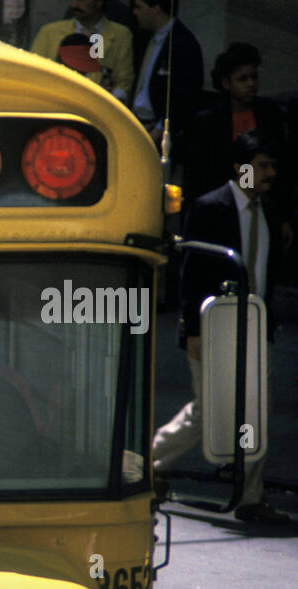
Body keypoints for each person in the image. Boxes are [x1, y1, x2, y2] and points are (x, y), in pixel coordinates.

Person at [152, 132, 289, 523]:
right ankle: (152, 458)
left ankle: (250, 496)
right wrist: (192, 329)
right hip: (215, 326)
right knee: (208, 409)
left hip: (256, 325)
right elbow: (192, 272)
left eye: (272, 167)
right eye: (262, 166)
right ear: (240, 167)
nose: (269, 174)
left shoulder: (268, 210)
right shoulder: (212, 207)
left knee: (254, 412)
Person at [184, 44, 292, 236]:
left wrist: (284, 218)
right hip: (221, 210)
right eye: (243, 79)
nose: (251, 83)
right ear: (226, 83)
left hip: (262, 207)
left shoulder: (268, 113)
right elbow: (195, 178)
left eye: (254, 77)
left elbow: (282, 168)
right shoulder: (208, 121)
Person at [130, 0, 204, 165]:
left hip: (160, 134)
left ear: (156, 8)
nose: (135, 13)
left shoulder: (183, 43)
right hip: (136, 122)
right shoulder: (143, 36)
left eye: (139, 7)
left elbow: (186, 97)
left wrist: (159, 130)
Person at [32, 0, 135, 103]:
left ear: (99, 2)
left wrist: (107, 105)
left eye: (81, 0)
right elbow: (34, 73)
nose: (74, 5)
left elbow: (124, 81)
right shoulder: (49, 32)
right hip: (56, 104)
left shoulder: (121, 35)